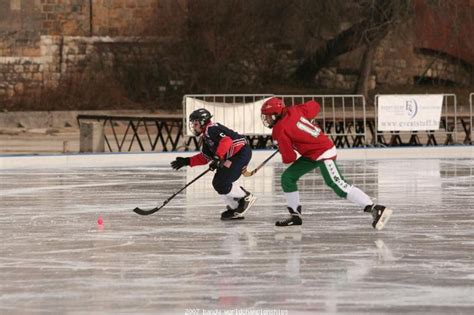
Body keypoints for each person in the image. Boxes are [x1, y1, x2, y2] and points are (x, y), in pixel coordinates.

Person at [260, 97, 392, 230]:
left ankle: (374, 208)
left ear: (276, 114)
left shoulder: (279, 129)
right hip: (312, 153)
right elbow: (314, 106)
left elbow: (290, 158)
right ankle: (295, 216)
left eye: (268, 117)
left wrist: (284, 146)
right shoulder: (294, 109)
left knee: (338, 184)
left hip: (323, 151)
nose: (266, 120)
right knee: (287, 178)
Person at [171, 108, 257, 220]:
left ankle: (245, 197)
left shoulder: (212, 129)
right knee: (218, 182)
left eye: (195, 123)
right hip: (232, 156)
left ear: (202, 122)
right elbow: (205, 157)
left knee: (221, 182)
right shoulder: (206, 137)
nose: (193, 127)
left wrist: (217, 157)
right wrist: (187, 161)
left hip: (240, 153)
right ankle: (235, 207)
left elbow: (226, 141)